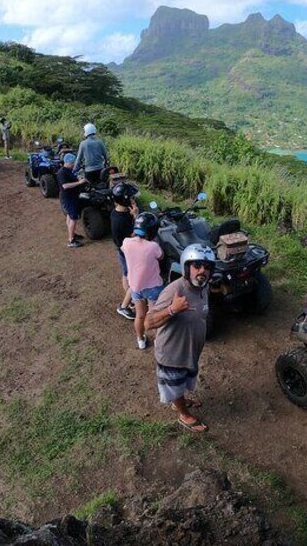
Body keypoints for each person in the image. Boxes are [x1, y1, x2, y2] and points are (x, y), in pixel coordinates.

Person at [144, 244, 215, 433]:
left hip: (189, 352)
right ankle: (184, 414)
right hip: (172, 354)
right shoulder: (174, 291)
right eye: (197, 265)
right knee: (174, 386)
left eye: (207, 267)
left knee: (182, 383)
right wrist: (172, 309)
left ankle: (179, 401)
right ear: (186, 266)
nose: (202, 270)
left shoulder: (203, 288)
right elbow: (148, 323)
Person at [122, 212, 164, 349]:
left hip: (135, 287)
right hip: (153, 287)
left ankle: (140, 340)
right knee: (155, 315)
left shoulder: (126, 243)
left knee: (139, 315)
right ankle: (158, 340)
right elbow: (161, 256)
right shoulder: (153, 246)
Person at [110, 182, 140, 320]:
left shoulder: (116, 212)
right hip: (127, 251)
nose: (134, 200)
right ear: (126, 199)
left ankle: (131, 299)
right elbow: (134, 235)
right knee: (135, 281)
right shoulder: (122, 220)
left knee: (126, 274)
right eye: (132, 198)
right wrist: (136, 216)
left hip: (121, 250)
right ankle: (124, 306)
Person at [57, 153, 87, 248]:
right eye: (72, 163)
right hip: (68, 197)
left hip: (72, 196)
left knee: (69, 216)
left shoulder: (69, 170)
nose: (73, 164)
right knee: (73, 218)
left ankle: (72, 234)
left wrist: (78, 178)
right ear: (67, 162)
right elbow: (65, 186)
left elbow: (72, 179)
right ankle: (71, 240)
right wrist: (79, 182)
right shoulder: (62, 172)